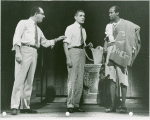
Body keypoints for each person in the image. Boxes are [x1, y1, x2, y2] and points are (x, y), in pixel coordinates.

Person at [11, 6, 66, 115]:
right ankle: (14, 106)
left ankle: (25, 106)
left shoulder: (38, 29)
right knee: (19, 79)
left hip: (34, 52)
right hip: (24, 50)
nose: (44, 16)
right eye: (42, 14)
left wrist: (56, 40)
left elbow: (44, 42)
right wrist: (17, 52)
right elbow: (16, 37)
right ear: (36, 13)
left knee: (29, 81)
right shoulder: (23, 23)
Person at [104, 6, 141, 113]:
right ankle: (112, 105)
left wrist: (131, 45)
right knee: (111, 79)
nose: (109, 14)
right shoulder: (108, 25)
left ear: (117, 13)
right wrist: (105, 50)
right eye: (109, 13)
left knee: (123, 78)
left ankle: (123, 105)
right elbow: (106, 39)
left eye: (111, 13)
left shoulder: (126, 24)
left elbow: (137, 28)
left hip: (121, 51)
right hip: (111, 52)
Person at [63, 10, 93, 113]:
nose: (83, 17)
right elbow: (65, 43)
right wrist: (68, 58)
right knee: (72, 79)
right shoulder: (70, 28)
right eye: (80, 16)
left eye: (84, 16)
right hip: (73, 52)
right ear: (75, 17)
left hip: (81, 52)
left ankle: (76, 104)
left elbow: (81, 43)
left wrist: (87, 46)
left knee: (80, 80)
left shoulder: (83, 30)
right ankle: (70, 104)